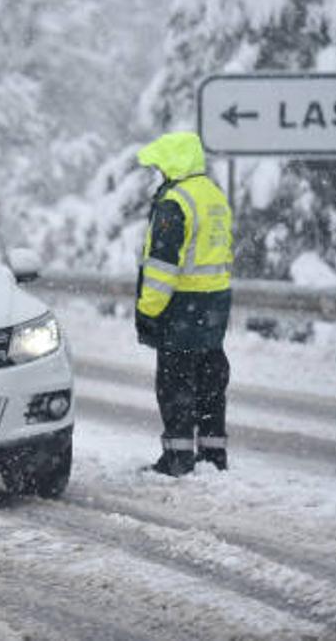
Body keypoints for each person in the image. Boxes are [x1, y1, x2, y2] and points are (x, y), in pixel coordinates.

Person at [135, 132, 233, 476]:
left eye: (161, 166)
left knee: (176, 385)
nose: (159, 172)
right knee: (211, 383)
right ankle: (213, 455)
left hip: (181, 309)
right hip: (215, 306)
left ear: (173, 164)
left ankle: (177, 459)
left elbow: (163, 268)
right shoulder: (213, 196)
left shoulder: (176, 202)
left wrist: (148, 310)